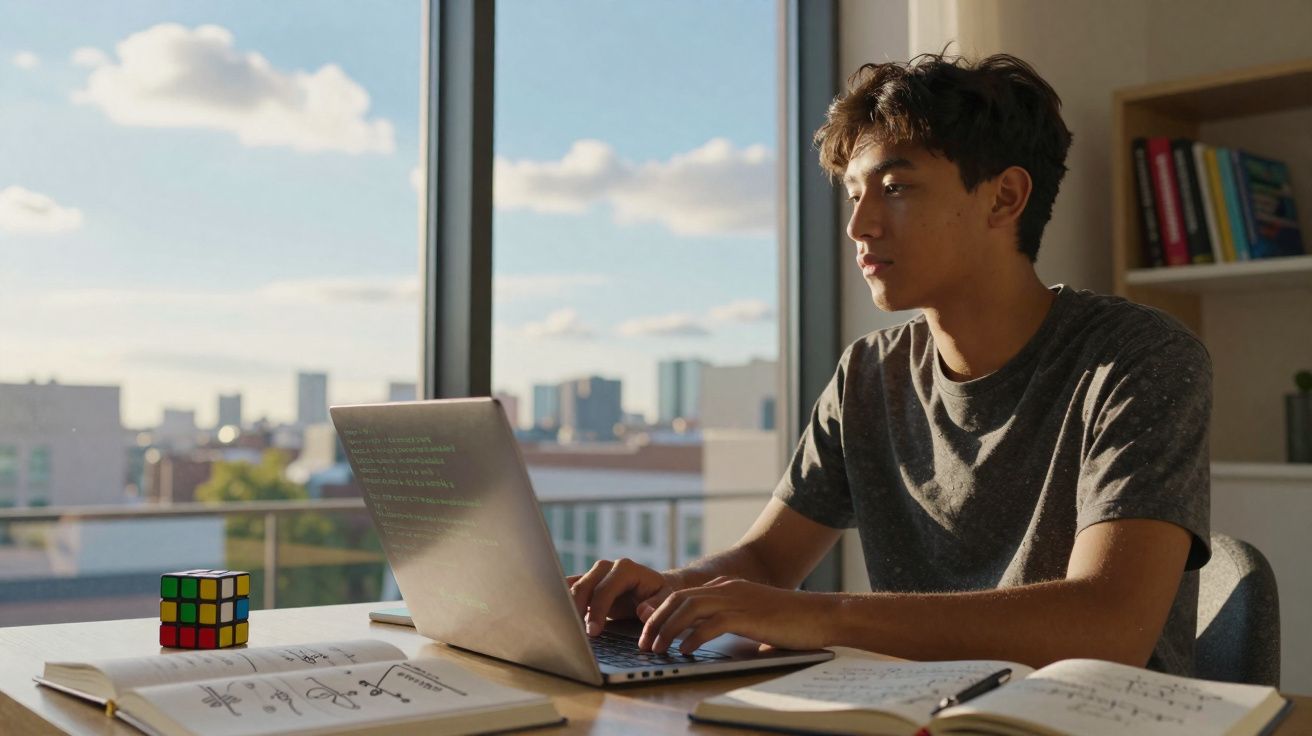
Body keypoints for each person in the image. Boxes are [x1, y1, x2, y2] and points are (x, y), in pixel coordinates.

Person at [568, 51, 1211, 676]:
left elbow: (1107, 626)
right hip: (914, 714)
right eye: (854, 194)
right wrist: (668, 592)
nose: (859, 226)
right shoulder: (869, 374)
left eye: (896, 188)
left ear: (1004, 198)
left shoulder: (1137, 358)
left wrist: (817, 617)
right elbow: (766, 561)